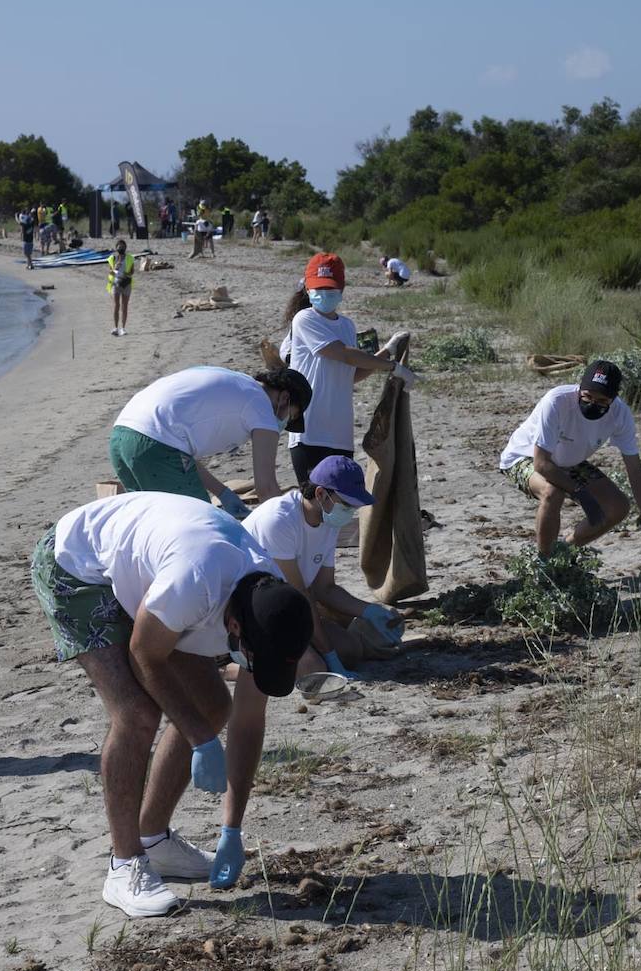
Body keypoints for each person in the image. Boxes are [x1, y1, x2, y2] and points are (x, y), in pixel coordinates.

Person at [31, 493, 313, 917]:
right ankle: (124, 866)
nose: (255, 667)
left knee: (213, 705)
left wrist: (230, 829)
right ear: (234, 627)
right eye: (256, 660)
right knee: (137, 715)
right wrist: (201, 741)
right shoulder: (194, 581)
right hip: (76, 567)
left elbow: (248, 720)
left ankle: (154, 840)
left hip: (149, 576)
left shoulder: (270, 606)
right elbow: (144, 655)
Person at [243, 455, 404, 681]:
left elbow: (325, 588)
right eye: (347, 504)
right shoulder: (279, 521)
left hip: (291, 606)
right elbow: (300, 595)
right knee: (313, 670)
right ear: (320, 494)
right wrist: (330, 657)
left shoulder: (328, 521)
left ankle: (292, 649)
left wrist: (369, 611)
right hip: (252, 609)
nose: (351, 512)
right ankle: (235, 663)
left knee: (350, 651)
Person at [499, 360, 641, 555]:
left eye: (602, 401)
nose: (593, 404)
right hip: (524, 457)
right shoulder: (557, 401)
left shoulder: (621, 414)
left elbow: (634, 468)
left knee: (618, 507)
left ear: (614, 398)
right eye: (587, 397)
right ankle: (543, 562)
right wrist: (581, 494)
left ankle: (562, 552)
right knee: (552, 493)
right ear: (579, 388)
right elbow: (542, 463)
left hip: (568, 462)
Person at [286, 252, 416, 484]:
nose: (325, 294)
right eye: (319, 288)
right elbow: (342, 354)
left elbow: (351, 374)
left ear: (342, 289)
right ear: (308, 289)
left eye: (330, 289)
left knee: (340, 506)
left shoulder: (347, 325)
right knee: (316, 506)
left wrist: (387, 350)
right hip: (310, 432)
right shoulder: (305, 319)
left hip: (340, 434)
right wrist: (391, 366)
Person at [110, 365, 312, 513]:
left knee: (154, 522)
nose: (284, 425)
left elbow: (181, 454)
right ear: (285, 398)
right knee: (199, 525)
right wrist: (290, 525)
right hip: (155, 447)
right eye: (291, 417)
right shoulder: (262, 407)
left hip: (121, 436)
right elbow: (266, 488)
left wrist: (223, 492)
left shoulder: (239, 384)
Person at [108, 238, 135, 335]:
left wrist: (127, 274)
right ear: (116, 248)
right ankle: (115, 328)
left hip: (126, 283)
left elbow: (132, 272)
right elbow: (110, 272)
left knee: (125, 306)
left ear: (125, 248)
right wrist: (115, 269)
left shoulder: (130, 258)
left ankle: (123, 328)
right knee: (116, 306)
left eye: (123, 247)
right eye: (119, 247)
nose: (121, 248)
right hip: (116, 283)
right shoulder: (113, 258)